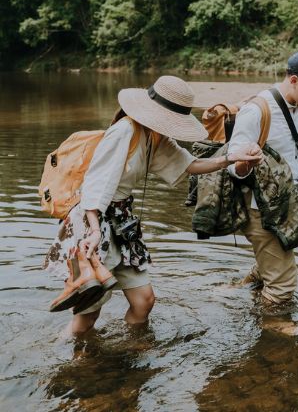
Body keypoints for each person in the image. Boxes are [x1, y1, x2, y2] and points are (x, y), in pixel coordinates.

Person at [43, 75, 262, 335]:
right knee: (89, 314)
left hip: (121, 221)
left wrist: (230, 157)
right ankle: (74, 362)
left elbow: (189, 165)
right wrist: (93, 231)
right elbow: (95, 183)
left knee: (143, 302)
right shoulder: (124, 131)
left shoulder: (154, 136)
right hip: (95, 221)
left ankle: (134, 349)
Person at [226, 50, 298, 304]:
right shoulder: (256, 111)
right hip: (258, 208)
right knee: (284, 285)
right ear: (294, 80)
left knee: (277, 255)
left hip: (288, 202)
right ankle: (273, 336)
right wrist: (247, 161)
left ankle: (236, 290)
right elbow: (232, 166)